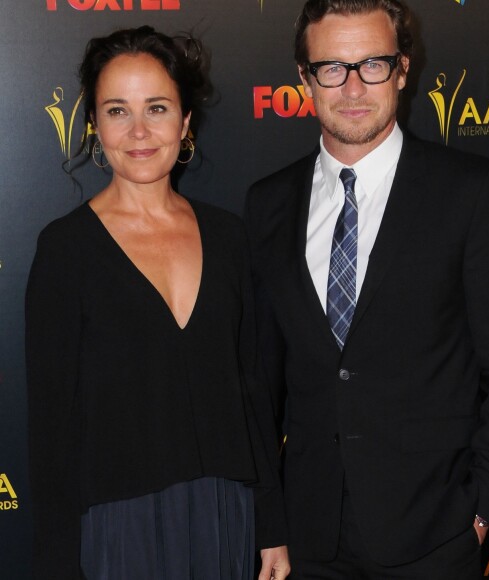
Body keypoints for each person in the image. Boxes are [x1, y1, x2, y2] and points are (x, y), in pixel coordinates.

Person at [244, 1, 489, 578]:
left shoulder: (471, 191)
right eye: (332, 67)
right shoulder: (268, 203)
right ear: (303, 80)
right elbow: (260, 385)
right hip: (309, 540)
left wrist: (482, 511)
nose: (353, 87)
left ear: (403, 70)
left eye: (373, 64)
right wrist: (270, 523)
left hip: (435, 536)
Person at [26, 26, 290, 580]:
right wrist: (57, 561)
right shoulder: (66, 248)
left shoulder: (229, 237)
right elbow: (53, 427)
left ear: (185, 121)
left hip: (226, 516)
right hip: (119, 529)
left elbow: (253, 393)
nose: (140, 131)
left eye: (158, 107)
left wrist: (271, 527)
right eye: (118, 111)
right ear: (95, 125)